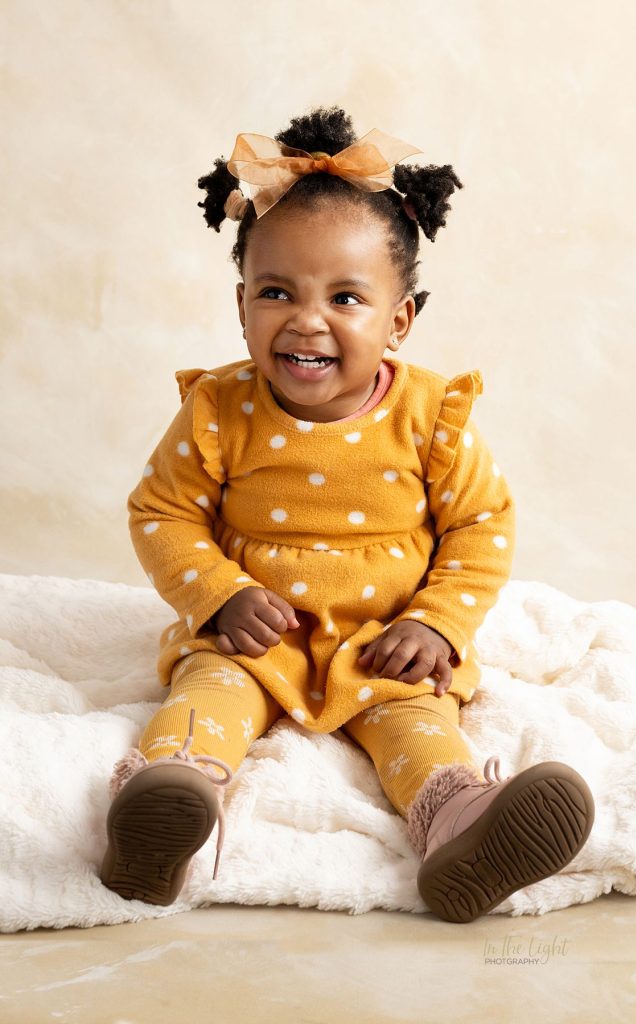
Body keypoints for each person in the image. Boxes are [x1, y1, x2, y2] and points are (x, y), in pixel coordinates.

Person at [100, 105, 594, 923]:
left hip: (384, 642)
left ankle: (461, 823)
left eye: (345, 297)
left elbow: (481, 526)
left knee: (415, 726)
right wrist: (218, 593)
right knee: (208, 697)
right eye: (275, 291)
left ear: (398, 320)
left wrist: (436, 625)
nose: (305, 318)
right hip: (254, 637)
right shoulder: (219, 407)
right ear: (240, 305)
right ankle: (169, 804)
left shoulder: (431, 416)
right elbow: (163, 512)